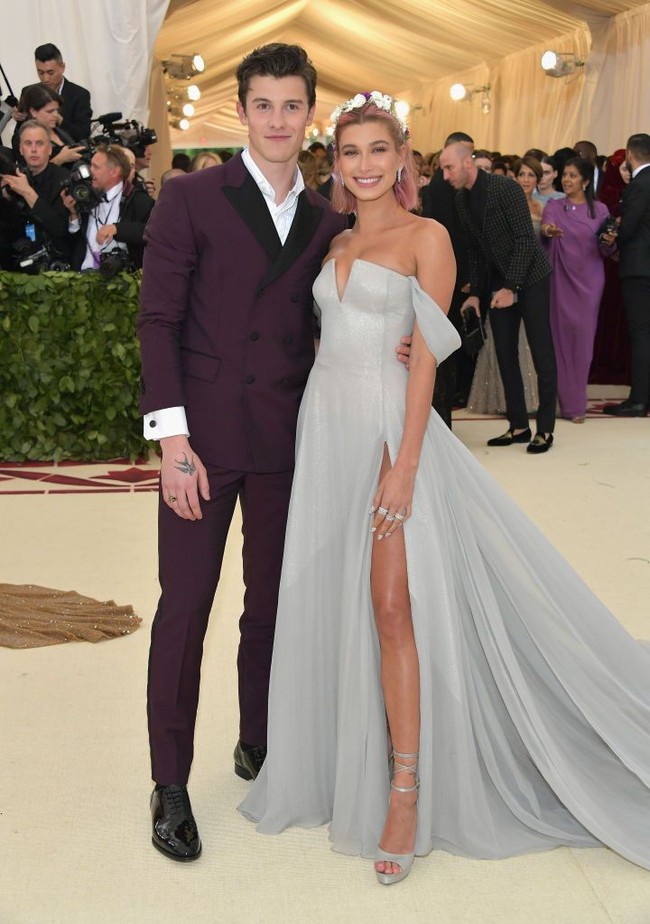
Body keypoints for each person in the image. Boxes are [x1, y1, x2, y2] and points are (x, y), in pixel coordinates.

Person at [239, 91, 650, 886]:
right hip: (326, 435)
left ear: (402, 160)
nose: (362, 166)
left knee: (394, 606)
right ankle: (340, 760)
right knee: (339, 598)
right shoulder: (330, 243)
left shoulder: (429, 235)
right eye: (348, 153)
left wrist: (405, 462)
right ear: (337, 162)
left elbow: (426, 356)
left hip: (396, 439)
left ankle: (404, 787)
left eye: (376, 151)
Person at [138, 43, 350, 863]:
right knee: (184, 607)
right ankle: (169, 783)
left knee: (270, 606)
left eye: (292, 106)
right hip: (201, 441)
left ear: (309, 114)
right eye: (263, 105)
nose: (277, 121)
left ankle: (255, 739)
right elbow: (158, 323)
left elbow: (335, 313)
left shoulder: (332, 219)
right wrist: (173, 442)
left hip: (286, 438)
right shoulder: (192, 196)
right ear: (241, 111)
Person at [441, 141, 557, 453]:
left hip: (530, 279)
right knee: (504, 353)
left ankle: (545, 429)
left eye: (449, 167)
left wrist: (512, 287)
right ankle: (518, 426)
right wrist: (477, 294)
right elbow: (476, 250)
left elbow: (524, 240)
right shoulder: (461, 199)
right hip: (497, 284)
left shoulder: (505, 187)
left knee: (541, 351)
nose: (445, 174)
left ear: (468, 163)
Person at [541, 157, 613, 422]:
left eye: (573, 176)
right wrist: (548, 231)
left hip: (590, 282)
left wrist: (610, 240)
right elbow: (546, 228)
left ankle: (576, 402)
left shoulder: (601, 210)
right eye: (566, 175)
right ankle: (567, 404)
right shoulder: (554, 206)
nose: (567, 180)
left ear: (585, 180)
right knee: (560, 340)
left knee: (583, 343)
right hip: (560, 280)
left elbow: (607, 249)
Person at [602, 133, 650, 416]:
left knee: (641, 333)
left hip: (639, 268)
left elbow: (630, 227)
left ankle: (639, 399)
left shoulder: (640, 184)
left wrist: (613, 238)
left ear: (630, 155)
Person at [63, 143, 154, 270]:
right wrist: (73, 215)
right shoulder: (86, 195)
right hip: (83, 279)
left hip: (123, 280)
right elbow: (73, 243)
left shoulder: (139, 201)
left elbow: (153, 232)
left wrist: (117, 229)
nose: (90, 171)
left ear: (114, 172)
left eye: (96, 167)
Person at [0, 120, 71, 267]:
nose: (33, 149)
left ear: (50, 149)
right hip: (16, 262)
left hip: (53, 262)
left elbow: (59, 228)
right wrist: (6, 199)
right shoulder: (13, 178)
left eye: (39, 143)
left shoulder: (63, 179)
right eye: (28, 143)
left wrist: (27, 192)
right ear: (20, 149)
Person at [14, 43, 92, 143]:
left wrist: (60, 120)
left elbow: (83, 134)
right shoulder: (28, 92)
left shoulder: (79, 95)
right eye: (40, 73)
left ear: (62, 67)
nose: (45, 79)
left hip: (70, 154)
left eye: (50, 73)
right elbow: (18, 136)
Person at [13, 85, 84, 167]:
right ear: (33, 112)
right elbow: (30, 174)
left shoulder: (59, 130)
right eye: (50, 111)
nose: (56, 115)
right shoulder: (22, 138)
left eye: (57, 110)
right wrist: (60, 159)